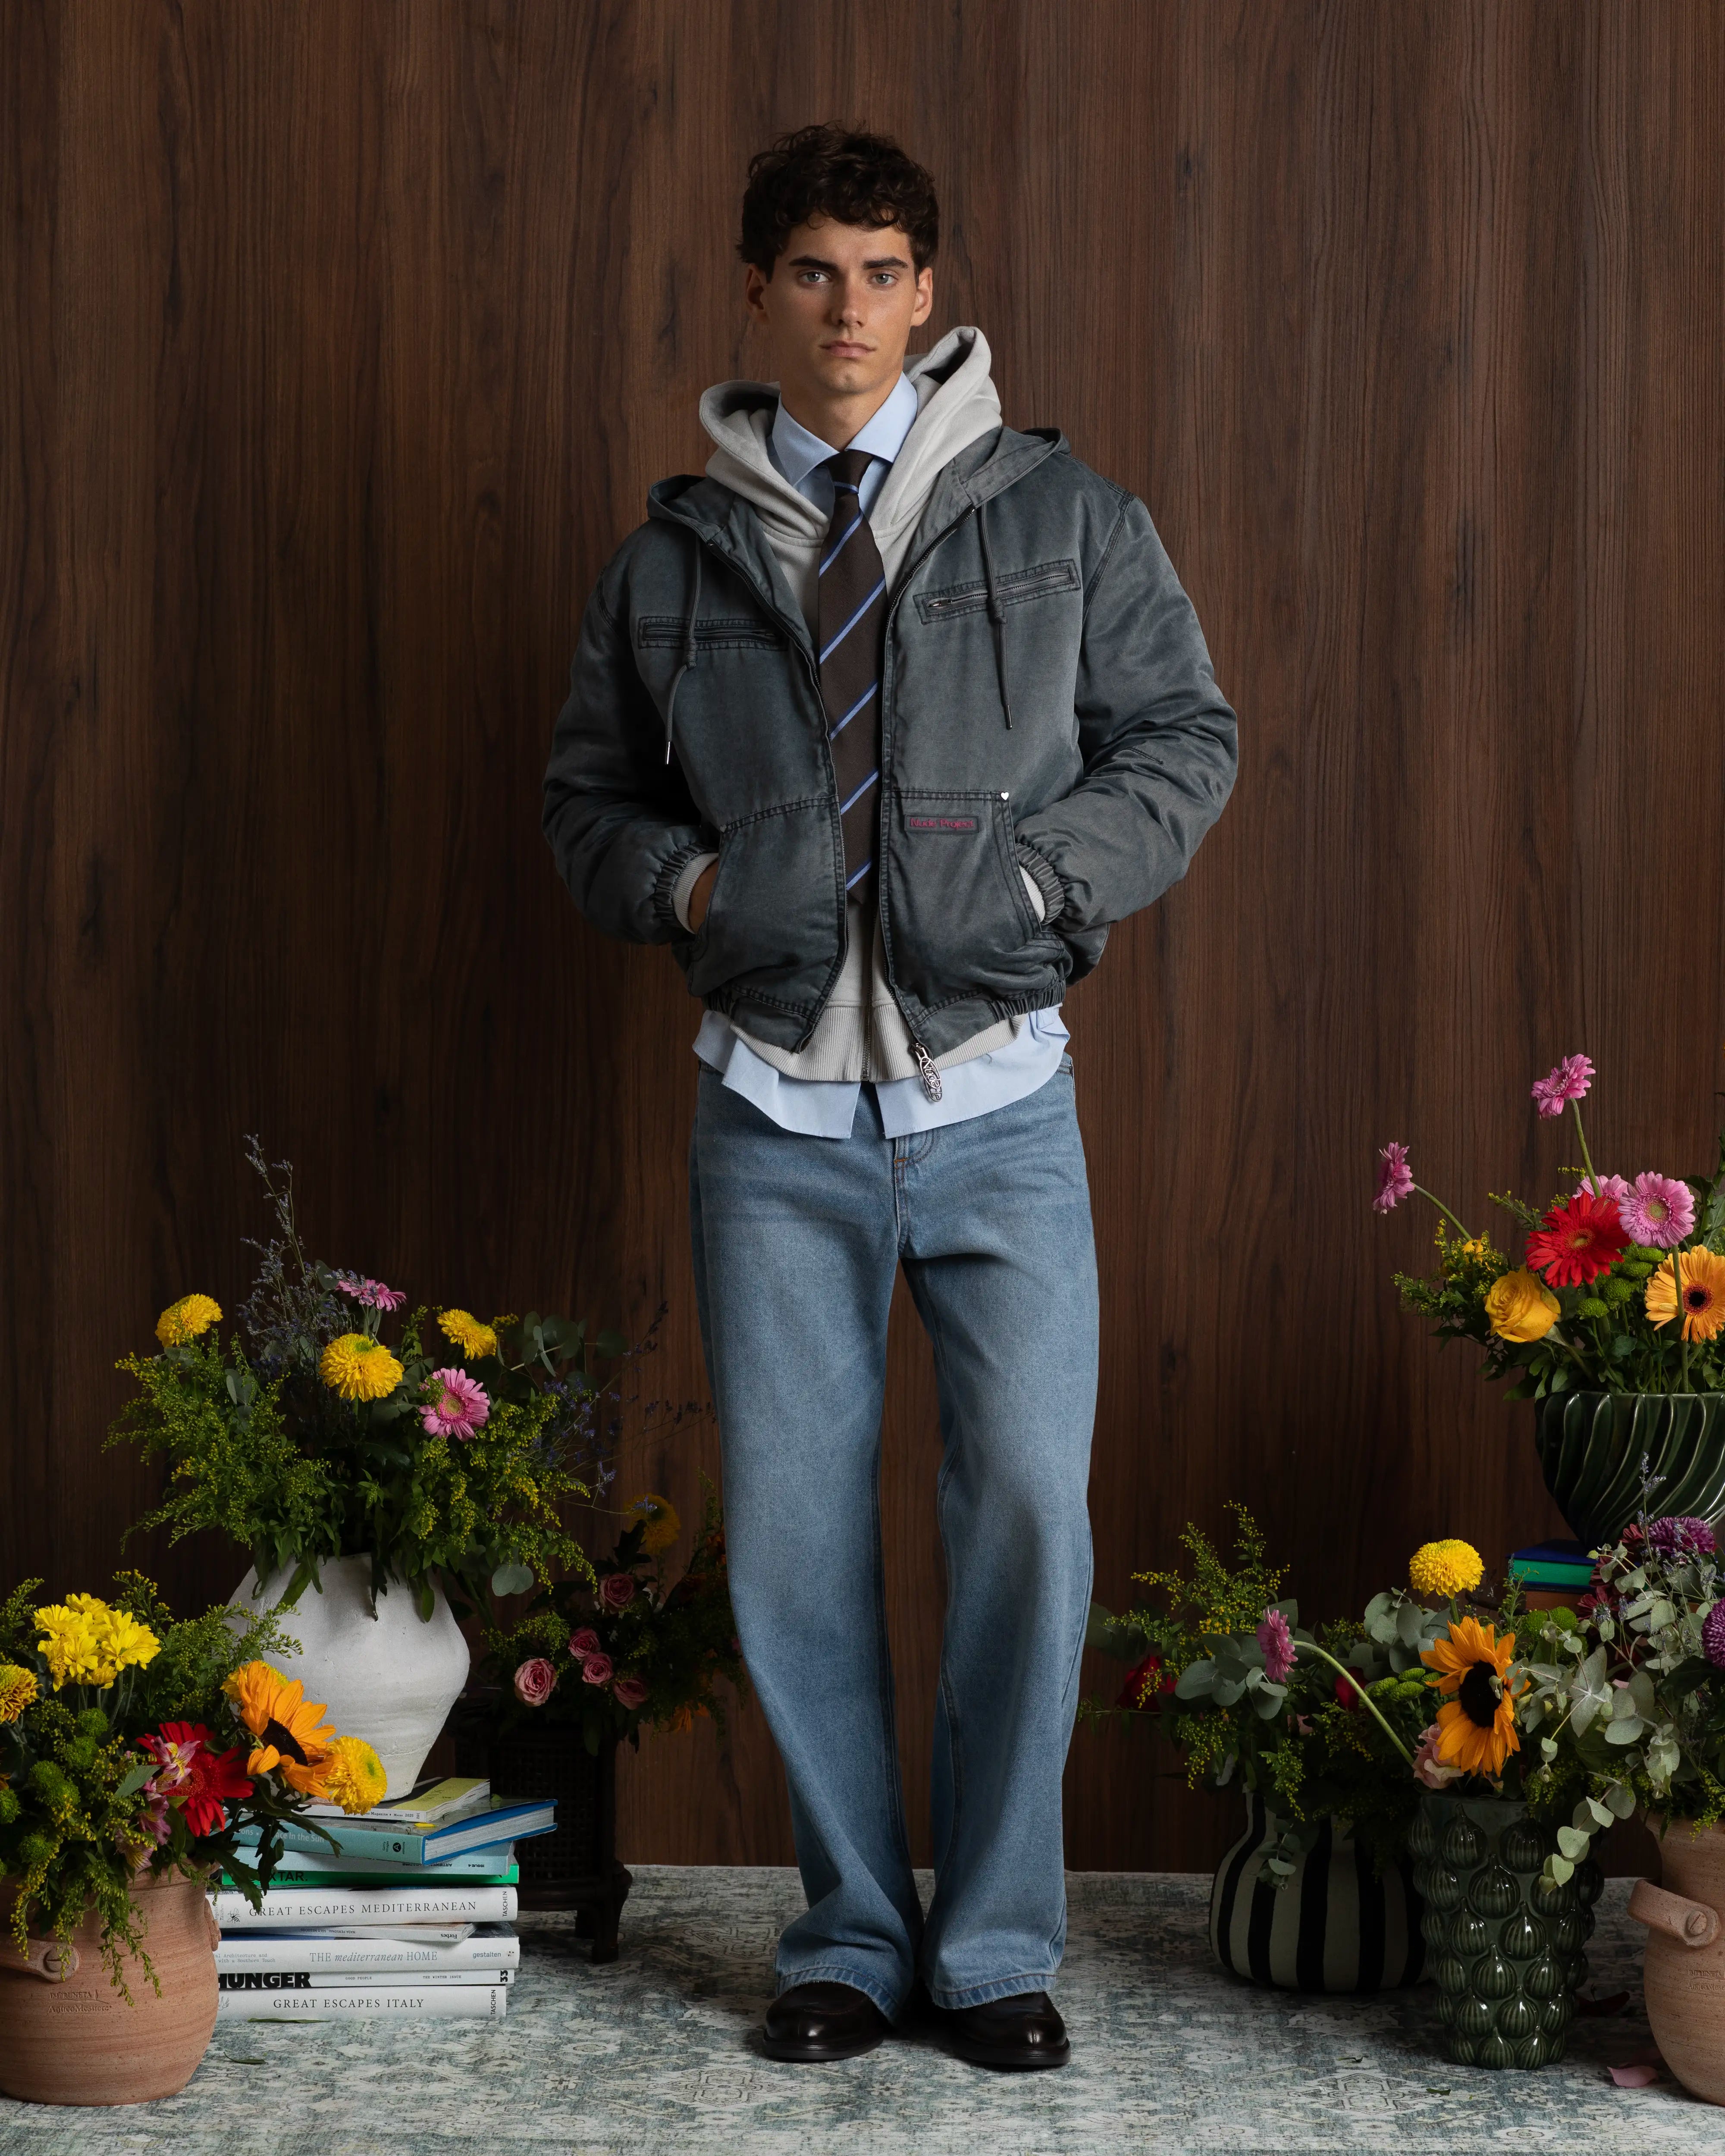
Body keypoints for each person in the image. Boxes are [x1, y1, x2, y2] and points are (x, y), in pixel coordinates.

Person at [543, 122, 1237, 2069]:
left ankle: (996, 1946)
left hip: (997, 1099)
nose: (846, 309)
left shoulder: (1065, 516)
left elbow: (1185, 737)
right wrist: (691, 888)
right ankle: (850, 1935)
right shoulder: (673, 554)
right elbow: (585, 802)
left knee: (1025, 1508)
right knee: (789, 1540)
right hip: (772, 1115)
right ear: (757, 293)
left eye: (879, 273)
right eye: (810, 273)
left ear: (926, 294)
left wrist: (1037, 883)